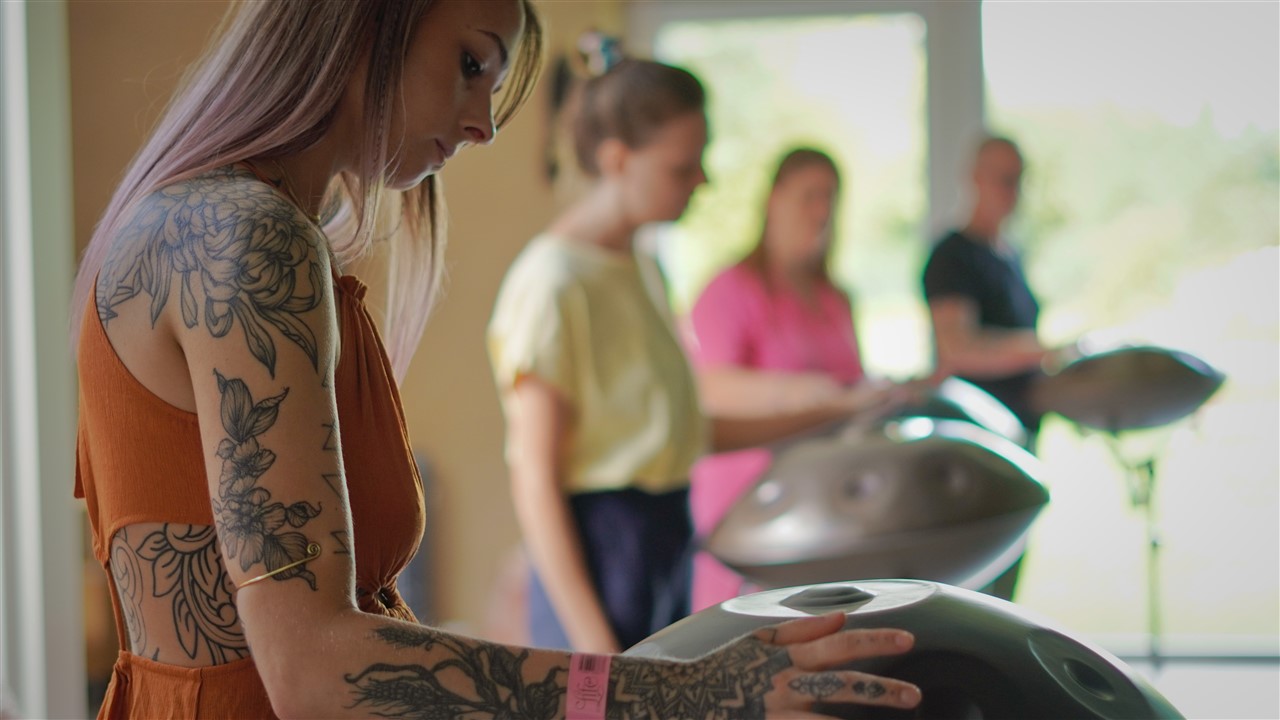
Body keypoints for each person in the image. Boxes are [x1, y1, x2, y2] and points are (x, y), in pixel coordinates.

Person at [71, 1, 922, 717]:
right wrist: (676, 693)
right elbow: (312, 664)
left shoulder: (255, 234)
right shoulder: (243, 237)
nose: (480, 123)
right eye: (471, 65)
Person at [488, 60, 902, 661]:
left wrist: (835, 412)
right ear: (616, 160)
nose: (701, 181)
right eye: (683, 167)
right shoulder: (554, 281)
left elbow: (686, 433)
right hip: (602, 554)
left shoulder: (644, 270)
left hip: (664, 540)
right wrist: (591, 640)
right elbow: (535, 481)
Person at [683, 148, 911, 612]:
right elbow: (709, 387)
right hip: (751, 511)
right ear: (774, 200)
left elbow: (849, 385)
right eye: (810, 196)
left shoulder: (836, 298)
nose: (822, 211)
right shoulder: (730, 289)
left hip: (827, 510)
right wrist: (800, 392)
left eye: (830, 198)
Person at [921, 134, 1073, 600]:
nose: (1011, 190)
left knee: (1006, 588)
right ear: (975, 178)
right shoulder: (952, 256)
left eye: (1017, 181)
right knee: (973, 591)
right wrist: (1040, 351)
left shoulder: (1011, 255)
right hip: (977, 445)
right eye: (1002, 179)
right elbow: (959, 347)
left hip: (1021, 437)